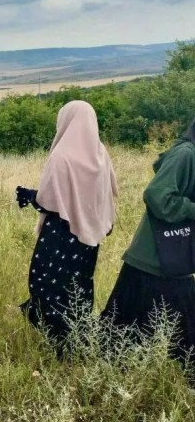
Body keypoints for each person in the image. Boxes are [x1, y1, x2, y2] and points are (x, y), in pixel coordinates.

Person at [16, 100, 118, 359]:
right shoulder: (100, 152)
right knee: (78, 286)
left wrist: (29, 195)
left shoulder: (62, 156)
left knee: (46, 283)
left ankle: (60, 340)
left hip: (61, 234)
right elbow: (108, 192)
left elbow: (49, 201)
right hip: (87, 238)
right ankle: (76, 337)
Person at [101, 117, 195, 382]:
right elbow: (157, 196)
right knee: (124, 332)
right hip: (155, 257)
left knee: (124, 332)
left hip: (165, 257)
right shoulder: (186, 154)